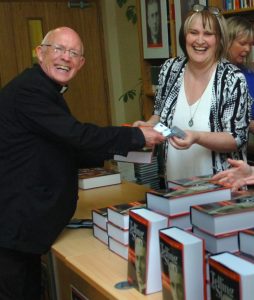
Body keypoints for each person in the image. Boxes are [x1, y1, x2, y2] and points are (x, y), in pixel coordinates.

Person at [0, 27, 165, 300]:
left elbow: (66, 147)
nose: (66, 57)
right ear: (40, 53)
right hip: (13, 227)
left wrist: (128, 145)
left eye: (74, 53)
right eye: (59, 49)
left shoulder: (46, 88)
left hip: (22, 229)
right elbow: (76, 135)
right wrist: (135, 135)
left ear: (81, 63)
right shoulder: (30, 90)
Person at [134, 4, 251, 182]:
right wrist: (147, 125)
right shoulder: (170, 69)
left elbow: (237, 137)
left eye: (208, 34)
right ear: (185, 36)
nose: (200, 40)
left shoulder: (232, 78)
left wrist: (197, 137)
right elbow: (159, 115)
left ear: (219, 39)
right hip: (174, 182)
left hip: (222, 187)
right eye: (193, 32)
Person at [226, 16, 254, 133]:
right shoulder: (215, 75)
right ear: (227, 42)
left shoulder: (250, 74)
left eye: (251, 44)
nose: (247, 49)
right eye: (242, 43)